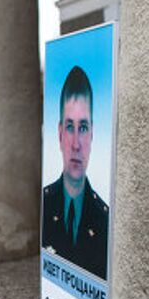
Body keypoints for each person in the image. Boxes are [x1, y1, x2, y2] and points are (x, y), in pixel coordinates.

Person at [42, 65, 109, 280]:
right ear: (60, 134)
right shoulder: (44, 204)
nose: (76, 145)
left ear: (92, 135)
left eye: (83, 128)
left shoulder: (105, 219)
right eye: (70, 127)